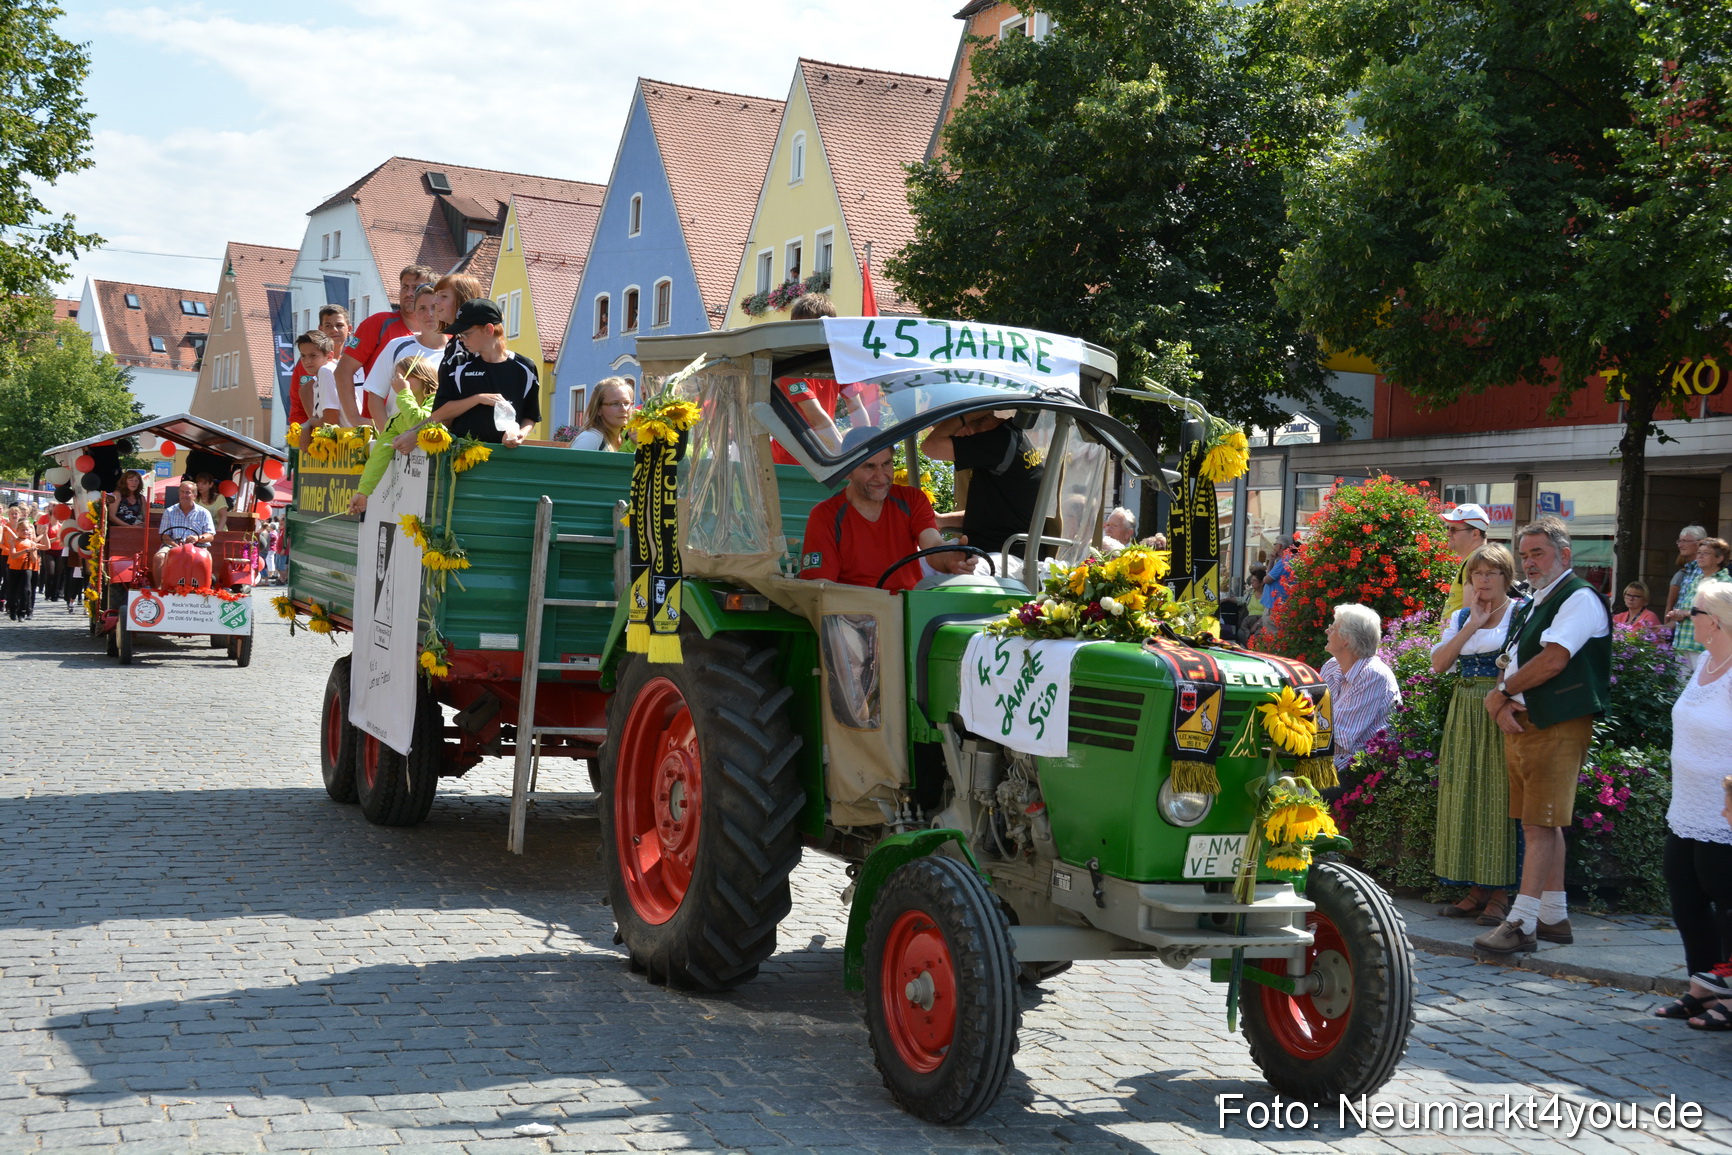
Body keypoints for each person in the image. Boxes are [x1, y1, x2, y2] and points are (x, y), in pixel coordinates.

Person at [1474, 516, 1611, 954]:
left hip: (1556, 722)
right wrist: (1504, 699)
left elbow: (1553, 661)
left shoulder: (1579, 598)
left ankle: (1521, 924)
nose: (1529, 562)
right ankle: (1554, 916)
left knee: (1538, 823)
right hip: (1531, 721)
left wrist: (1500, 693)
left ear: (1564, 555)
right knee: (1543, 822)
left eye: (1538, 553)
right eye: (1525, 554)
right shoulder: (1540, 598)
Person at [1430, 544, 1523, 924]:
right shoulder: (1462, 617)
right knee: (1465, 794)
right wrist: (1471, 623)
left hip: (1498, 707)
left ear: (1506, 577)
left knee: (1499, 797)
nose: (1482, 581)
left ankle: (1502, 891)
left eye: (1491, 574)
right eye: (1476, 575)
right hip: (1464, 709)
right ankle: (1477, 887)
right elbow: (1439, 665)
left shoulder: (1519, 613)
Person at [1654, 584, 1732, 1026]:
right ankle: (1701, 987)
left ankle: (1731, 995)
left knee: (1725, 898)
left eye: (1695, 611)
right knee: (1684, 891)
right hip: (1686, 802)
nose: (1687, 616)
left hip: (1723, 808)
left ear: (1715, 620)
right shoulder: (1705, 660)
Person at [800, 433, 973, 592]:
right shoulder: (826, 515)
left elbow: (932, 544)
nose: (881, 476)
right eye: (869, 466)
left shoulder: (911, 499)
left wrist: (950, 559)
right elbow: (821, 589)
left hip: (908, 609)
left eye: (886, 464)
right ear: (847, 471)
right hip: (853, 613)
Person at [395, 298, 539, 450]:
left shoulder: (525, 367)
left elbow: (530, 416)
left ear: (488, 330)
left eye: (465, 334)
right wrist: (478, 399)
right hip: (460, 455)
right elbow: (440, 413)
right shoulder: (457, 364)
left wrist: (520, 434)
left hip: (506, 457)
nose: (460, 340)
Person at [921, 410, 1044, 558]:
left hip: (1002, 555)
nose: (954, 439)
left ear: (962, 425)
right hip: (994, 549)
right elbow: (995, 516)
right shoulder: (1008, 437)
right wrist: (940, 520)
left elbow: (930, 446)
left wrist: (963, 415)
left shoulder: (996, 443)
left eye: (949, 432)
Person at [1319, 603, 1401, 778]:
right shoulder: (1331, 666)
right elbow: (1315, 715)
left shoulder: (1372, 675)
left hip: (1358, 767)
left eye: (1332, 628)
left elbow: (1340, 736)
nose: (1327, 631)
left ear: (1346, 639)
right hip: (1327, 758)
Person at [348, 360, 439, 516]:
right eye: (397, 377)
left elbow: (419, 423)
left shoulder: (437, 402)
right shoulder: (396, 419)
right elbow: (380, 454)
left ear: (425, 377)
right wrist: (363, 492)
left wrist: (404, 393)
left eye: (406, 376)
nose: (400, 381)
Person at [334, 264, 437, 388]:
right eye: (405, 287)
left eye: (415, 288)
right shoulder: (378, 323)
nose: (409, 293)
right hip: (378, 407)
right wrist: (352, 408)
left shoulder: (446, 333)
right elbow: (343, 371)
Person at [361, 285, 446, 426]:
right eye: (422, 308)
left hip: (437, 440)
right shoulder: (396, 346)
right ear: (415, 312)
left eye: (434, 307)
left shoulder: (456, 351)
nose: (429, 314)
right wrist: (387, 436)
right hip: (398, 440)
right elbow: (375, 396)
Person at [1666, 537, 1730, 670]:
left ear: (1719, 558)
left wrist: (1686, 613)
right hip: (1683, 642)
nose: (1700, 556)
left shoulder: (1725, 582)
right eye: (1699, 552)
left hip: (1705, 646)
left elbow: (1719, 614)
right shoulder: (1695, 579)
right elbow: (1686, 607)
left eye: (1706, 553)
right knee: (1682, 689)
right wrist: (1677, 614)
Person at [151, 482, 216, 588]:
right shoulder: (169, 511)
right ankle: (159, 589)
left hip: (198, 547)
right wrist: (177, 548)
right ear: (179, 493)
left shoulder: (204, 513)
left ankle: (203, 590)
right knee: (159, 557)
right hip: (173, 545)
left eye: (188, 492)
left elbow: (210, 535)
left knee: (207, 558)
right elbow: (165, 536)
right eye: (182, 492)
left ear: (194, 496)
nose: (184, 495)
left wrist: (197, 538)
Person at [1441, 503, 1492, 618]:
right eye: (1448, 528)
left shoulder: (1477, 561)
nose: (1448, 533)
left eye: (1453, 529)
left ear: (1475, 534)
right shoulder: (1476, 558)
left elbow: (1469, 617)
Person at [291, 331, 338, 449]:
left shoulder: (326, 371)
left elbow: (330, 421)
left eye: (313, 355)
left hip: (344, 444)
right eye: (303, 356)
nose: (307, 361)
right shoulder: (321, 376)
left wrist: (309, 423)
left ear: (329, 356)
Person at [571, 377, 635, 451]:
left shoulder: (629, 439)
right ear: (598, 409)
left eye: (626, 403)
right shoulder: (590, 439)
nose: (624, 409)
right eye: (615, 404)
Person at [1664, 525, 1708, 625]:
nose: (1680, 545)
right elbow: (1680, 609)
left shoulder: (1705, 570)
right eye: (1679, 541)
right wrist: (1665, 629)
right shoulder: (1688, 570)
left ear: (1700, 543)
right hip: (1682, 634)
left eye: (1685, 541)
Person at [2, 505, 38, 620]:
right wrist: (26, 550)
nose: (25, 532)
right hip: (14, 568)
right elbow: (13, 555)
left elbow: (35, 558)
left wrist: (32, 552)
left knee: (26, 590)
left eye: (27, 530)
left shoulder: (32, 543)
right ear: (17, 531)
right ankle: (12, 610)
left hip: (27, 568)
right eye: (22, 530)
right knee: (12, 589)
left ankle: (22, 612)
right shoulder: (14, 541)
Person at [1264, 534, 1297, 616]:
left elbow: (1266, 580)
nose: (1274, 547)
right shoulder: (1289, 559)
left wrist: (1271, 561)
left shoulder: (1284, 561)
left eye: (1275, 544)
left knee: (1271, 628)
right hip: (1281, 605)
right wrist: (1271, 560)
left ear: (1280, 546)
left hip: (1276, 606)